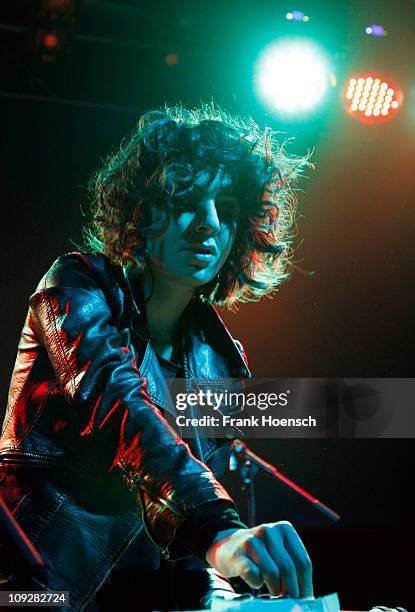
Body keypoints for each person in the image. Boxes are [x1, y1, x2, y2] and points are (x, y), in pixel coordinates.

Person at [0, 105, 312, 610]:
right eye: (186, 200)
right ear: (140, 210)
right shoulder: (77, 286)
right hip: (30, 594)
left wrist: (228, 594)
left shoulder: (220, 360)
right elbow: (118, 406)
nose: (208, 225)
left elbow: (185, 539)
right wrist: (219, 531)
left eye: (227, 209)